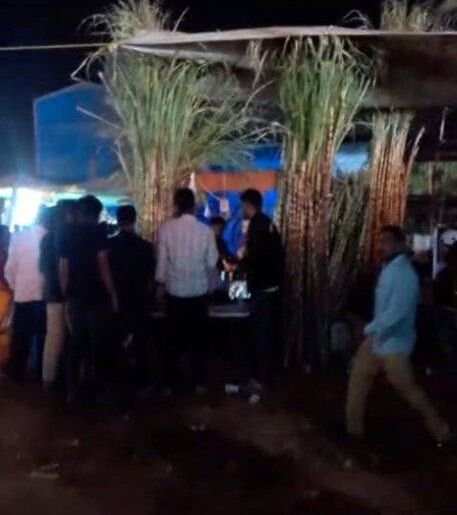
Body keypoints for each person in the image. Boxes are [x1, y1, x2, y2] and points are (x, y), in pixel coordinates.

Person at [346, 225, 450, 444]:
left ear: (400, 245)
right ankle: (353, 431)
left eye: (386, 241)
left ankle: (441, 431)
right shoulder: (390, 269)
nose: (381, 246)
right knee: (358, 379)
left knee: (409, 390)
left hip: (394, 344)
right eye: (380, 241)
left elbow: (396, 313)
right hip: (379, 339)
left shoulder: (404, 274)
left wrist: (368, 328)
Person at [156, 188, 218, 394]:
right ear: (193, 206)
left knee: (172, 340)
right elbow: (212, 262)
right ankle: (199, 382)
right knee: (198, 341)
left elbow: (162, 263)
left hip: (174, 292)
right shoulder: (206, 231)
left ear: (176, 205)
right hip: (198, 292)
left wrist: (160, 286)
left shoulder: (166, 229)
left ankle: (169, 384)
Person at [59, 195, 118, 400]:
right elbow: (103, 264)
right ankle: (97, 387)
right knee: (97, 342)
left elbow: (63, 266)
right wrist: (112, 293)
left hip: (75, 294)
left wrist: (65, 294)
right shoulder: (98, 232)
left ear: (80, 212)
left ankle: (72, 387)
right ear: (97, 213)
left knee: (76, 341)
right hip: (97, 294)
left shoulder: (67, 232)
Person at [240, 188, 283, 393]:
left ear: (248, 204)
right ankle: (264, 376)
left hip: (262, 287)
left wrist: (242, 265)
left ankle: (261, 378)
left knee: (261, 334)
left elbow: (255, 257)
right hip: (271, 285)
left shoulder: (257, 226)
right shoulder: (268, 223)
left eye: (242, 205)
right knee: (266, 332)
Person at [109, 205, 156, 389]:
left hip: (117, 299)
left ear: (118, 220)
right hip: (139, 299)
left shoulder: (110, 245)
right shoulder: (146, 247)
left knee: (116, 339)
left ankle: (117, 378)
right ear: (135, 219)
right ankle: (141, 379)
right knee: (140, 341)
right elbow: (151, 278)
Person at [5, 207, 48, 382]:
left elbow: (10, 268)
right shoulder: (52, 238)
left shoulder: (19, 237)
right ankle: (40, 371)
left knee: (21, 336)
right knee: (42, 336)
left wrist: (15, 286)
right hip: (45, 295)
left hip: (23, 294)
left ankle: (17, 371)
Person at [40, 203, 77, 389]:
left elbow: (42, 267)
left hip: (51, 292)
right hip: (69, 293)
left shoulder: (46, 238)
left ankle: (48, 378)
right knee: (74, 336)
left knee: (53, 337)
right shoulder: (70, 237)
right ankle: (70, 378)